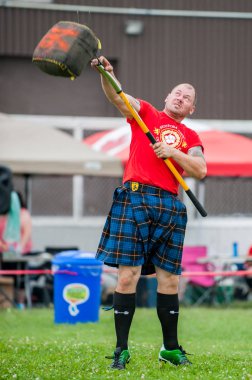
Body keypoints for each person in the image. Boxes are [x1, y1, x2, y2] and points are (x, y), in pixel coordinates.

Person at [91, 56, 207, 369]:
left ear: (191, 109)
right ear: (167, 98)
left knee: (169, 281)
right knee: (127, 275)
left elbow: (200, 169)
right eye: (178, 93)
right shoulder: (147, 113)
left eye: (188, 98)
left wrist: (172, 152)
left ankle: (170, 349)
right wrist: (108, 73)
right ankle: (121, 350)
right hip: (136, 199)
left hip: (170, 205)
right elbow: (118, 96)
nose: (181, 98)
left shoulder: (191, 138)